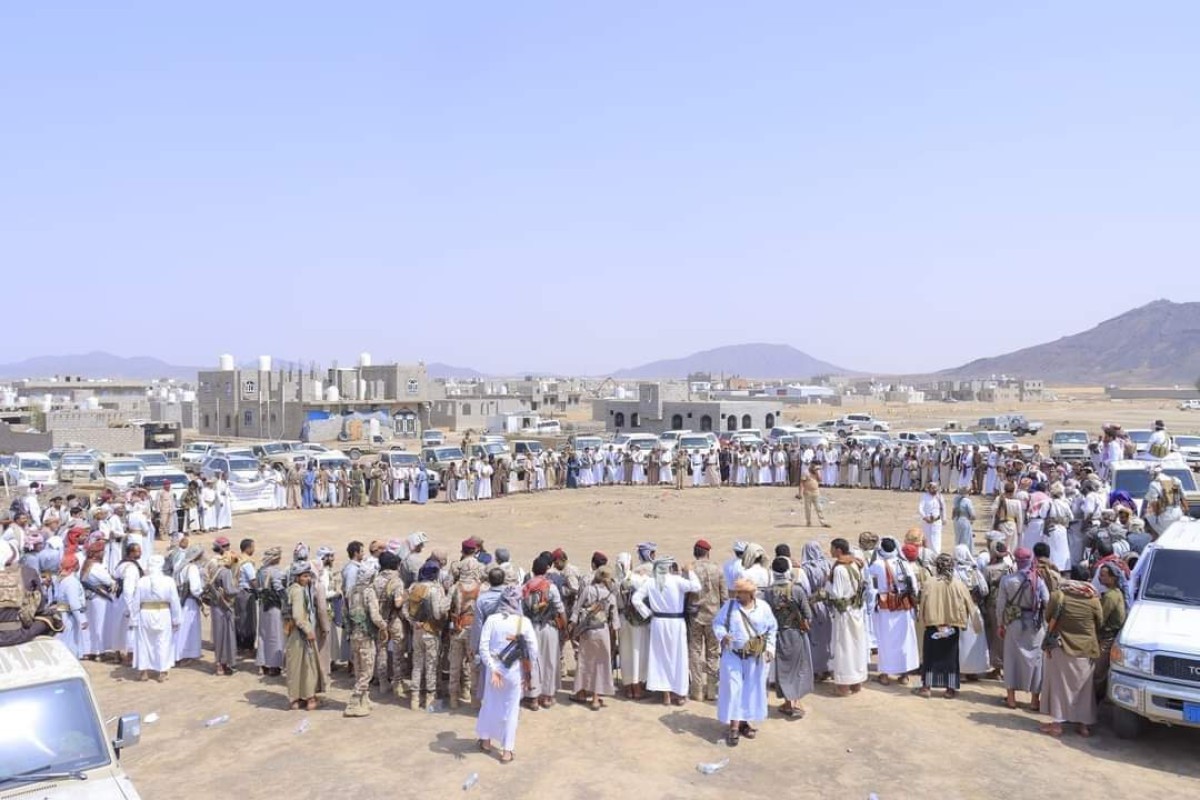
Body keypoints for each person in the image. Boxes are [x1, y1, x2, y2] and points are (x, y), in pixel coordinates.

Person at [476, 586, 539, 764]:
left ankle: (486, 741)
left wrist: (493, 668)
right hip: (514, 670)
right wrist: (527, 671)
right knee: (511, 710)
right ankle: (506, 751)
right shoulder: (523, 622)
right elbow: (533, 650)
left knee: (489, 704)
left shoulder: (492, 620)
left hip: (494, 668)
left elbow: (483, 648)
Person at [714, 577, 778, 746]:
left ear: (750, 594)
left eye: (740, 592)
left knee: (750, 691)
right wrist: (723, 635)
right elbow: (718, 624)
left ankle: (744, 723)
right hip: (733, 655)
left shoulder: (763, 608)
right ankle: (734, 726)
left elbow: (772, 628)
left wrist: (770, 649)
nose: (737, 595)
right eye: (736, 592)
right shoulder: (729, 607)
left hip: (755, 658)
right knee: (734, 689)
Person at [632, 557, 702, 705]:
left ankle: (666, 695)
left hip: (658, 623)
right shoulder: (676, 580)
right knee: (678, 657)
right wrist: (690, 571)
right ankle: (679, 693)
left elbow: (636, 599)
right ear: (669, 567)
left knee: (660, 657)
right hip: (676, 623)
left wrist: (648, 613)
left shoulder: (651, 581)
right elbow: (696, 587)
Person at [1039, 580, 1103, 737]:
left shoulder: (1058, 595)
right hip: (1086, 649)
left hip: (1061, 646)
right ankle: (1083, 726)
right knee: (1084, 688)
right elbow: (1099, 622)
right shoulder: (1093, 599)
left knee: (1058, 687)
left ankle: (1056, 725)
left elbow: (1048, 618)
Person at [996, 547, 1049, 711]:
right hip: (1035, 625)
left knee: (1011, 660)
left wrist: (1001, 624)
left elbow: (1000, 606)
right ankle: (1034, 700)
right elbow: (1047, 600)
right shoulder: (1038, 579)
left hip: (1014, 623)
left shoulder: (1007, 580)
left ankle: (1011, 699)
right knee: (1036, 661)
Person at [915, 553, 973, 698]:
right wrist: (968, 623)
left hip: (933, 625)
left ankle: (926, 687)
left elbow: (922, 604)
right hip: (952, 626)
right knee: (950, 656)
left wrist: (921, 620)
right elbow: (969, 604)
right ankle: (950, 689)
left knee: (930, 656)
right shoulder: (958, 584)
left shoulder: (929, 582)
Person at [764, 557, 813, 718]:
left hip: (778, 634)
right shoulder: (797, 590)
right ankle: (797, 701)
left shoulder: (769, 592)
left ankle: (787, 702)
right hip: (796, 633)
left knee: (783, 669)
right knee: (797, 667)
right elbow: (808, 614)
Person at [867, 537, 920, 686]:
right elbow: (914, 586)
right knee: (904, 641)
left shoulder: (877, 564)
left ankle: (884, 674)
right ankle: (904, 675)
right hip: (903, 608)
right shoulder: (904, 564)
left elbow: (868, 583)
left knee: (885, 641)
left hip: (886, 609)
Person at [568, 564, 619, 710]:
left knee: (585, 661)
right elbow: (614, 619)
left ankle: (581, 693)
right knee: (601, 663)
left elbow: (576, 608)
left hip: (588, 631)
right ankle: (596, 698)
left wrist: (572, 624)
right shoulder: (610, 595)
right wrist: (615, 637)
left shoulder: (588, 589)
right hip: (602, 631)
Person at [403, 560, 449, 710]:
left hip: (417, 631)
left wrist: (413, 622)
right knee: (431, 665)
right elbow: (436, 614)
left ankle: (414, 699)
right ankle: (430, 698)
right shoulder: (435, 590)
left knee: (417, 665)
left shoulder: (413, 588)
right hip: (431, 631)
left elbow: (405, 610)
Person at [522, 555, 566, 710]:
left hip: (530, 628)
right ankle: (547, 697)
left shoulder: (525, 586)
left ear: (533, 570)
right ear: (547, 569)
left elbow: (522, 611)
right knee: (549, 661)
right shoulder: (550, 586)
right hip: (548, 628)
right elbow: (560, 610)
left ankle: (533, 698)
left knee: (532, 662)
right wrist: (564, 627)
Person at [128, 554, 181, 682]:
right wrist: (177, 619)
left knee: (144, 642)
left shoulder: (142, 581)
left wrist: (133, 619)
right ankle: (162, 671)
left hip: (145, 613)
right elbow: (174, 601)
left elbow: (136, 601)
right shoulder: (168, 581)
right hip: (163, 612)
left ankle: (143, 672)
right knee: (163, 641)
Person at [343, 560, 385, 718]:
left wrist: (349, 630)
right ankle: (354, 702)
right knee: (367, 670)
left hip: (354, 634)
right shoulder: (369, 592)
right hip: (366, 635)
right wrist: (383, 625)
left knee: (359, 667)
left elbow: (345, 613)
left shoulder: (351, 591)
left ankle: (364, 699)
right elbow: (374, 615)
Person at [686, 539, 726, 702]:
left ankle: (696, 691)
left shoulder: (690, 569)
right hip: (714, 616)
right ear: (708, 552)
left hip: (695, 616)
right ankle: (711, 690)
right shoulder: (718, 569)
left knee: (695, 652)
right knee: (713, 653)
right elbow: (724, 596)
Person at [827, 538, 867, 696]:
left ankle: (843, 686)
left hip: (844, 613)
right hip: (856, 610)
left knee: (844, 647)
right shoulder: (856, 564)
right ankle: (857, 683)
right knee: (856, 646)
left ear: (838, 550)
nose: (829, 551)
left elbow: (836, 593)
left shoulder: (839, 569)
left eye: (831, 548)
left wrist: (826, 587)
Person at [285, 560, 325, 711]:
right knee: (308, 666)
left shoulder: (290, 589)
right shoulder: (298, 591)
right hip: (301, 633)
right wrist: (308, 631)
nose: (307, 579)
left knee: (295, 667)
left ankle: (295, 700)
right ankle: (310, 699)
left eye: (308, 576)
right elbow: (297, 615)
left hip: (291, 633)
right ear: (297, 577)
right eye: (304, 576)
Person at [616, 550, 652, 698]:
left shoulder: (615, 581)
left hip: (622, 620)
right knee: (637, 652)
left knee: (625, 653)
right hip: (637, 622)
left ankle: (628, 687)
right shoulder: (636, 579)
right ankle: (637, 688)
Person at [953, 544, 991, 677]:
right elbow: (985, 590)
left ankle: (962, 672)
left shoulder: (954, 572)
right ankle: (974, 671)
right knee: (976, 639)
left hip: (960, 610)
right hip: (974, 609)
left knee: (961, 642)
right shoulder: (975, 571)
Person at [1094, 561, 1129, 698]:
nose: (1100, 578)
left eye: (1103, 575)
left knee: (1098, 673)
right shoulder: (1116, 593)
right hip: (1111, 636)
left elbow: (1100, 619)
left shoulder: (1110, 596)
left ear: (1113, 578)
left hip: (1107, 638)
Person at [256, 547, 286, 676]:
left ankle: (262, 663)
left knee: (263, 634)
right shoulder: (276, 572)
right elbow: (279, 589)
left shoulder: (261, 571)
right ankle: (274, 665)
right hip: (274, 607)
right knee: (275, 635)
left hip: (263, 606)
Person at [173, 544, 204, 663]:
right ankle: (185, 653)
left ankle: (178, 653)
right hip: (190, 602)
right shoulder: (192, 568)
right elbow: (195, 588)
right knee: (189, 628)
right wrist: (202, 593)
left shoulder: (180, 566)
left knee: (181, 628)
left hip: (181, 600)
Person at [210, 551, 238, 676]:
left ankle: (219, 663)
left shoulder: (216, 569)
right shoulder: (226, 572)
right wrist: (239, 590)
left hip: (216, 606)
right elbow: (229, 590)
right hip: (225, 607)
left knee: (218, 636)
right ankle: (223, 663)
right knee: (226, 636)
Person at [235, 538, 258, 653]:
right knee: (248, 620)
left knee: (239, 618)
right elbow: (253, 580)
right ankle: (248, 647)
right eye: (253, 547)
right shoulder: (247, 563)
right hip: (246, 593)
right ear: (248, 548)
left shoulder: (237, 559)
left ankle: (238, 644)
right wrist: (259, 590)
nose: (254, 549)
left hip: (237, 592)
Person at [919, 482, 946, 554]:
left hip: (937, 521)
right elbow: (920, 508)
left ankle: (937, 554)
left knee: (936, 538)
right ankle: (928, 555)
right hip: (927, 522)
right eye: (933, 488)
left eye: (936, 488)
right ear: (929, 489)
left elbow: (943, 508)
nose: (934, 490)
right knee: (927, 538)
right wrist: (925, 517)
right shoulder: (925, 496)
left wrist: (944, 518)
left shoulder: (939, 496)